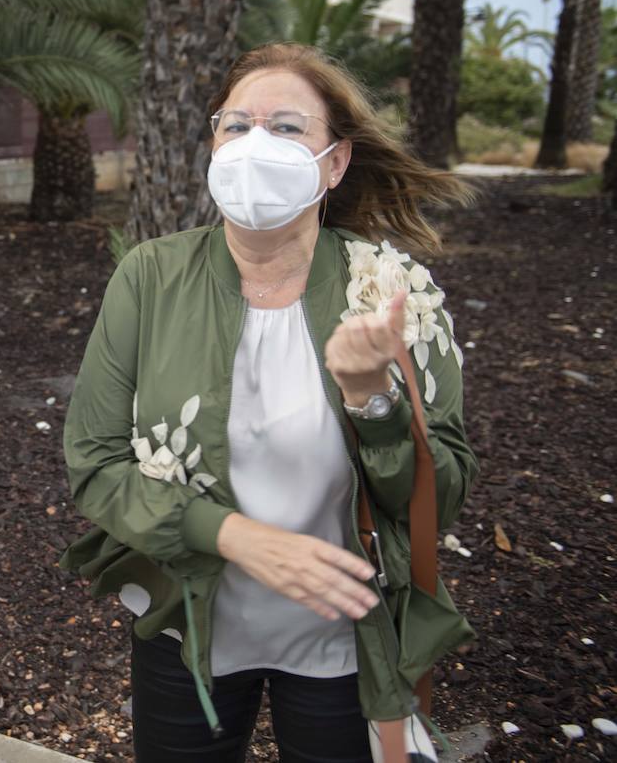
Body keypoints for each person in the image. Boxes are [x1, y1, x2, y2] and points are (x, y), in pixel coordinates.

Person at [60, 43, 478, 762]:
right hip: (187, 623)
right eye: (235, 125)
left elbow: (443, 495)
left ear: (336, 162)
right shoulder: (150, 277)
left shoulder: (391, 293)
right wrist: (235, 536)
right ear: (212, 145)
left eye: (287, 127)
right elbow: (95, 466)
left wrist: (371, 399)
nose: (256, 144)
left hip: (343, 636)